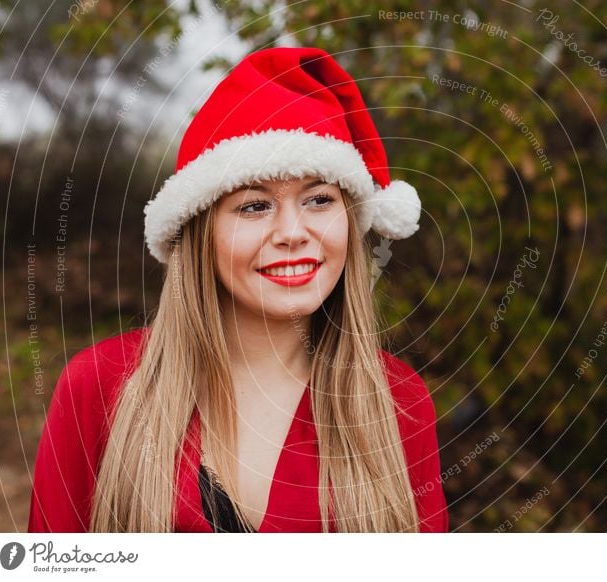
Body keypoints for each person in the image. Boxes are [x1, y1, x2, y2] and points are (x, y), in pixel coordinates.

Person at [28, 46, 448, 533]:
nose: (293, 232)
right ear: (200, 233)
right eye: (254, 206)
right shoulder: (98, 388)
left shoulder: (399, 402)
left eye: (319, 199)